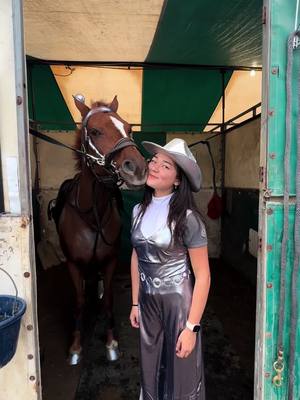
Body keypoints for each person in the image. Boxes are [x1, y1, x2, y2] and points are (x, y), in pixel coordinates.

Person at [129, 138, 210, 400]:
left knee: (181, 373)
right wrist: (135, 303)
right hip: (148, 303)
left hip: (178, 305)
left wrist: (191, 328)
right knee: (150, 367)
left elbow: (204, 276)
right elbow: (136, 256)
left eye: (165, 166)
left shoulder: (188, 218)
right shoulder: (137, 211)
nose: (154, 167)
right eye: (154, 161)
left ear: (177, 180)